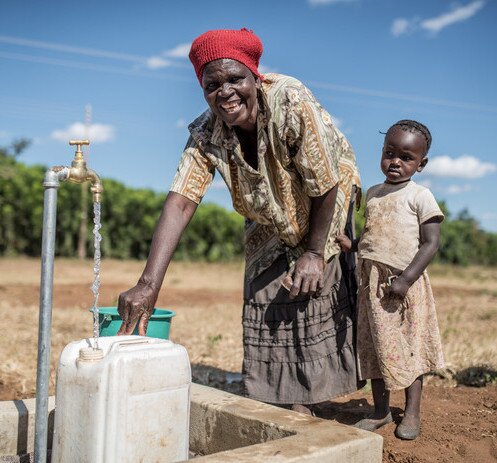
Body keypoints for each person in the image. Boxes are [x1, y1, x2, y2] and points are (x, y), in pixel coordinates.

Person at [117, 28, 362, 415]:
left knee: (312, 288)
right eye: (212, 85)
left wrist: (315, 251)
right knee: (268, 296)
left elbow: (325, 179)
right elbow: (180, 201)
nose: (225, 92)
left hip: (322, 204)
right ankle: (281, 401)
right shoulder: (205, 132)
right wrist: (148, 285)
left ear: (254, 76)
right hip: (266, 212)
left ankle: (312, 400)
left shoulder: (290, 100)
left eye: (235, 79)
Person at [336, 120, 445, 439]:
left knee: (408, 350)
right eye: (389, 153)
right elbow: (373, 236)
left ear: (421, 164)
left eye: (406, 157)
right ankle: (381, 411)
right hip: (372, 285)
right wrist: (351, 245)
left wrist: (406, 279)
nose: (395, 161)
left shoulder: (421, 196)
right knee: (373, 348)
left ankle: (411, 413)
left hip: (403, 287)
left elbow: (430, 243)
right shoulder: (373, 193)